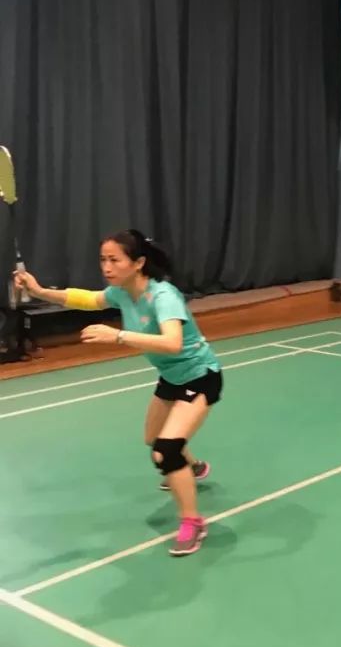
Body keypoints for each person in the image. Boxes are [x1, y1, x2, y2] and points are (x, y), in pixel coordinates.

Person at [14, 229, 221, 556]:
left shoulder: (162, 296)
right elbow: (87, 299)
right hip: (171, 377)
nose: (107, 267)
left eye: (114, 260)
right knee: (153, 439)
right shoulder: (122, 292)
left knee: (165, 451)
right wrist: (39, 291)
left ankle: (193, 522)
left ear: (138, 263)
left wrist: (118, 336)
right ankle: (191, 468)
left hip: (200, 376)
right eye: (103, 260)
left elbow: (173, 343)